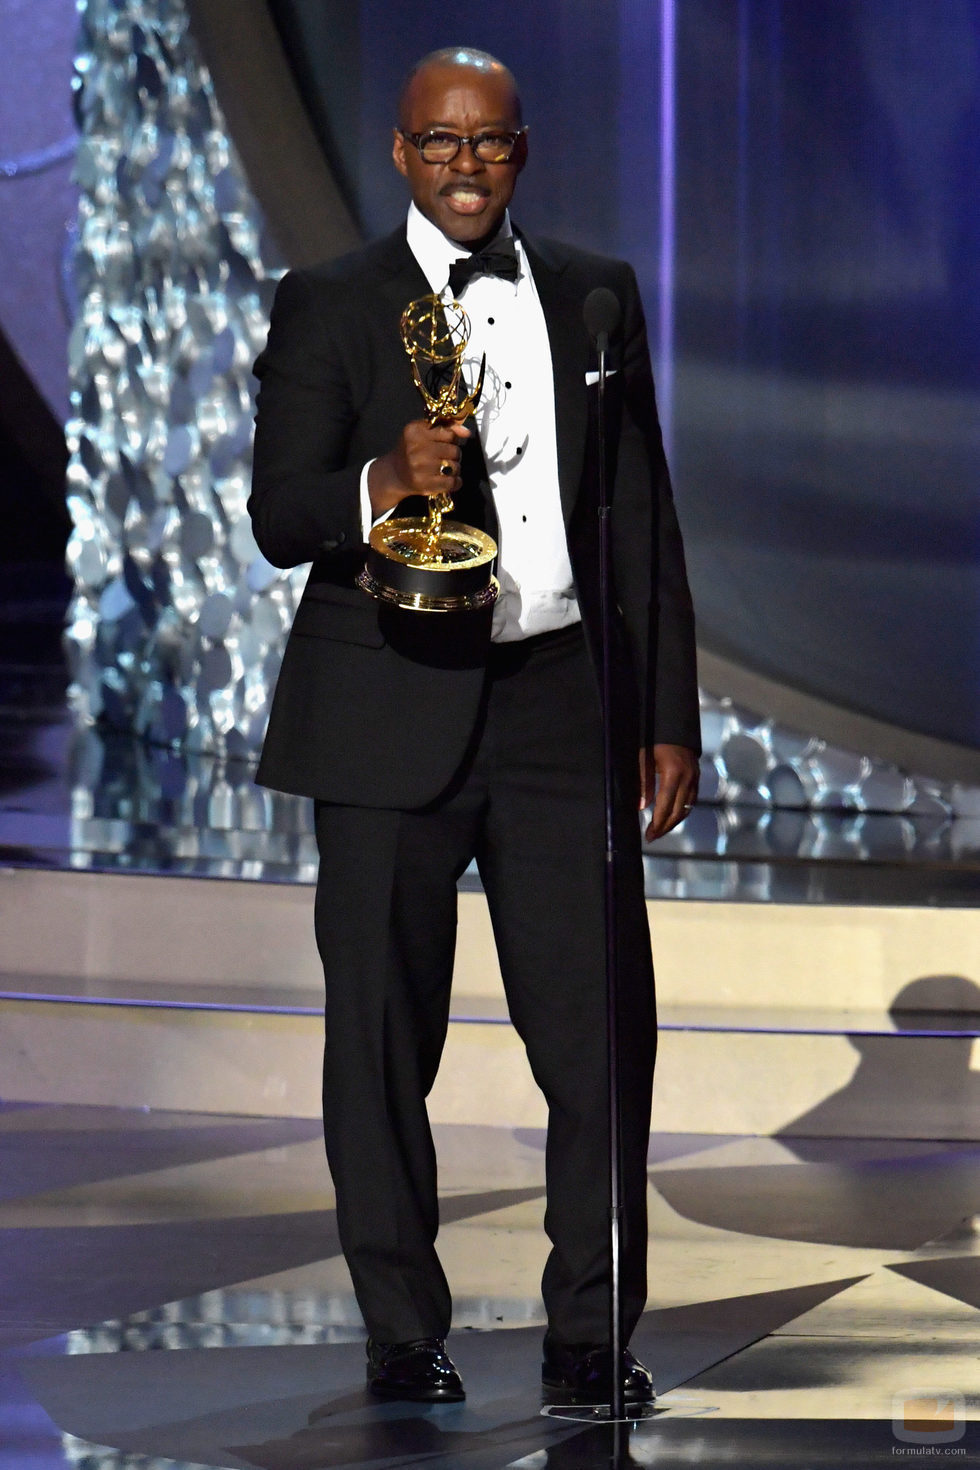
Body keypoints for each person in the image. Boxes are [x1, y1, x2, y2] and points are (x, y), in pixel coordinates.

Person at [248, 46, 700, 1406]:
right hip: (385, 703)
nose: (463, 166)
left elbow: (639, 515)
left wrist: (663, 708)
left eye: (488, 144)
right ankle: (402, 1327)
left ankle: (588, 1329)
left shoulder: (595, 294)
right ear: (400, 155)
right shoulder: (331, 304)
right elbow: (280, 512)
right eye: (438, 144)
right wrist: (383, 476)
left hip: (562, 704)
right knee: (382, 1037)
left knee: (603, 1032)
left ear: (522, 152)